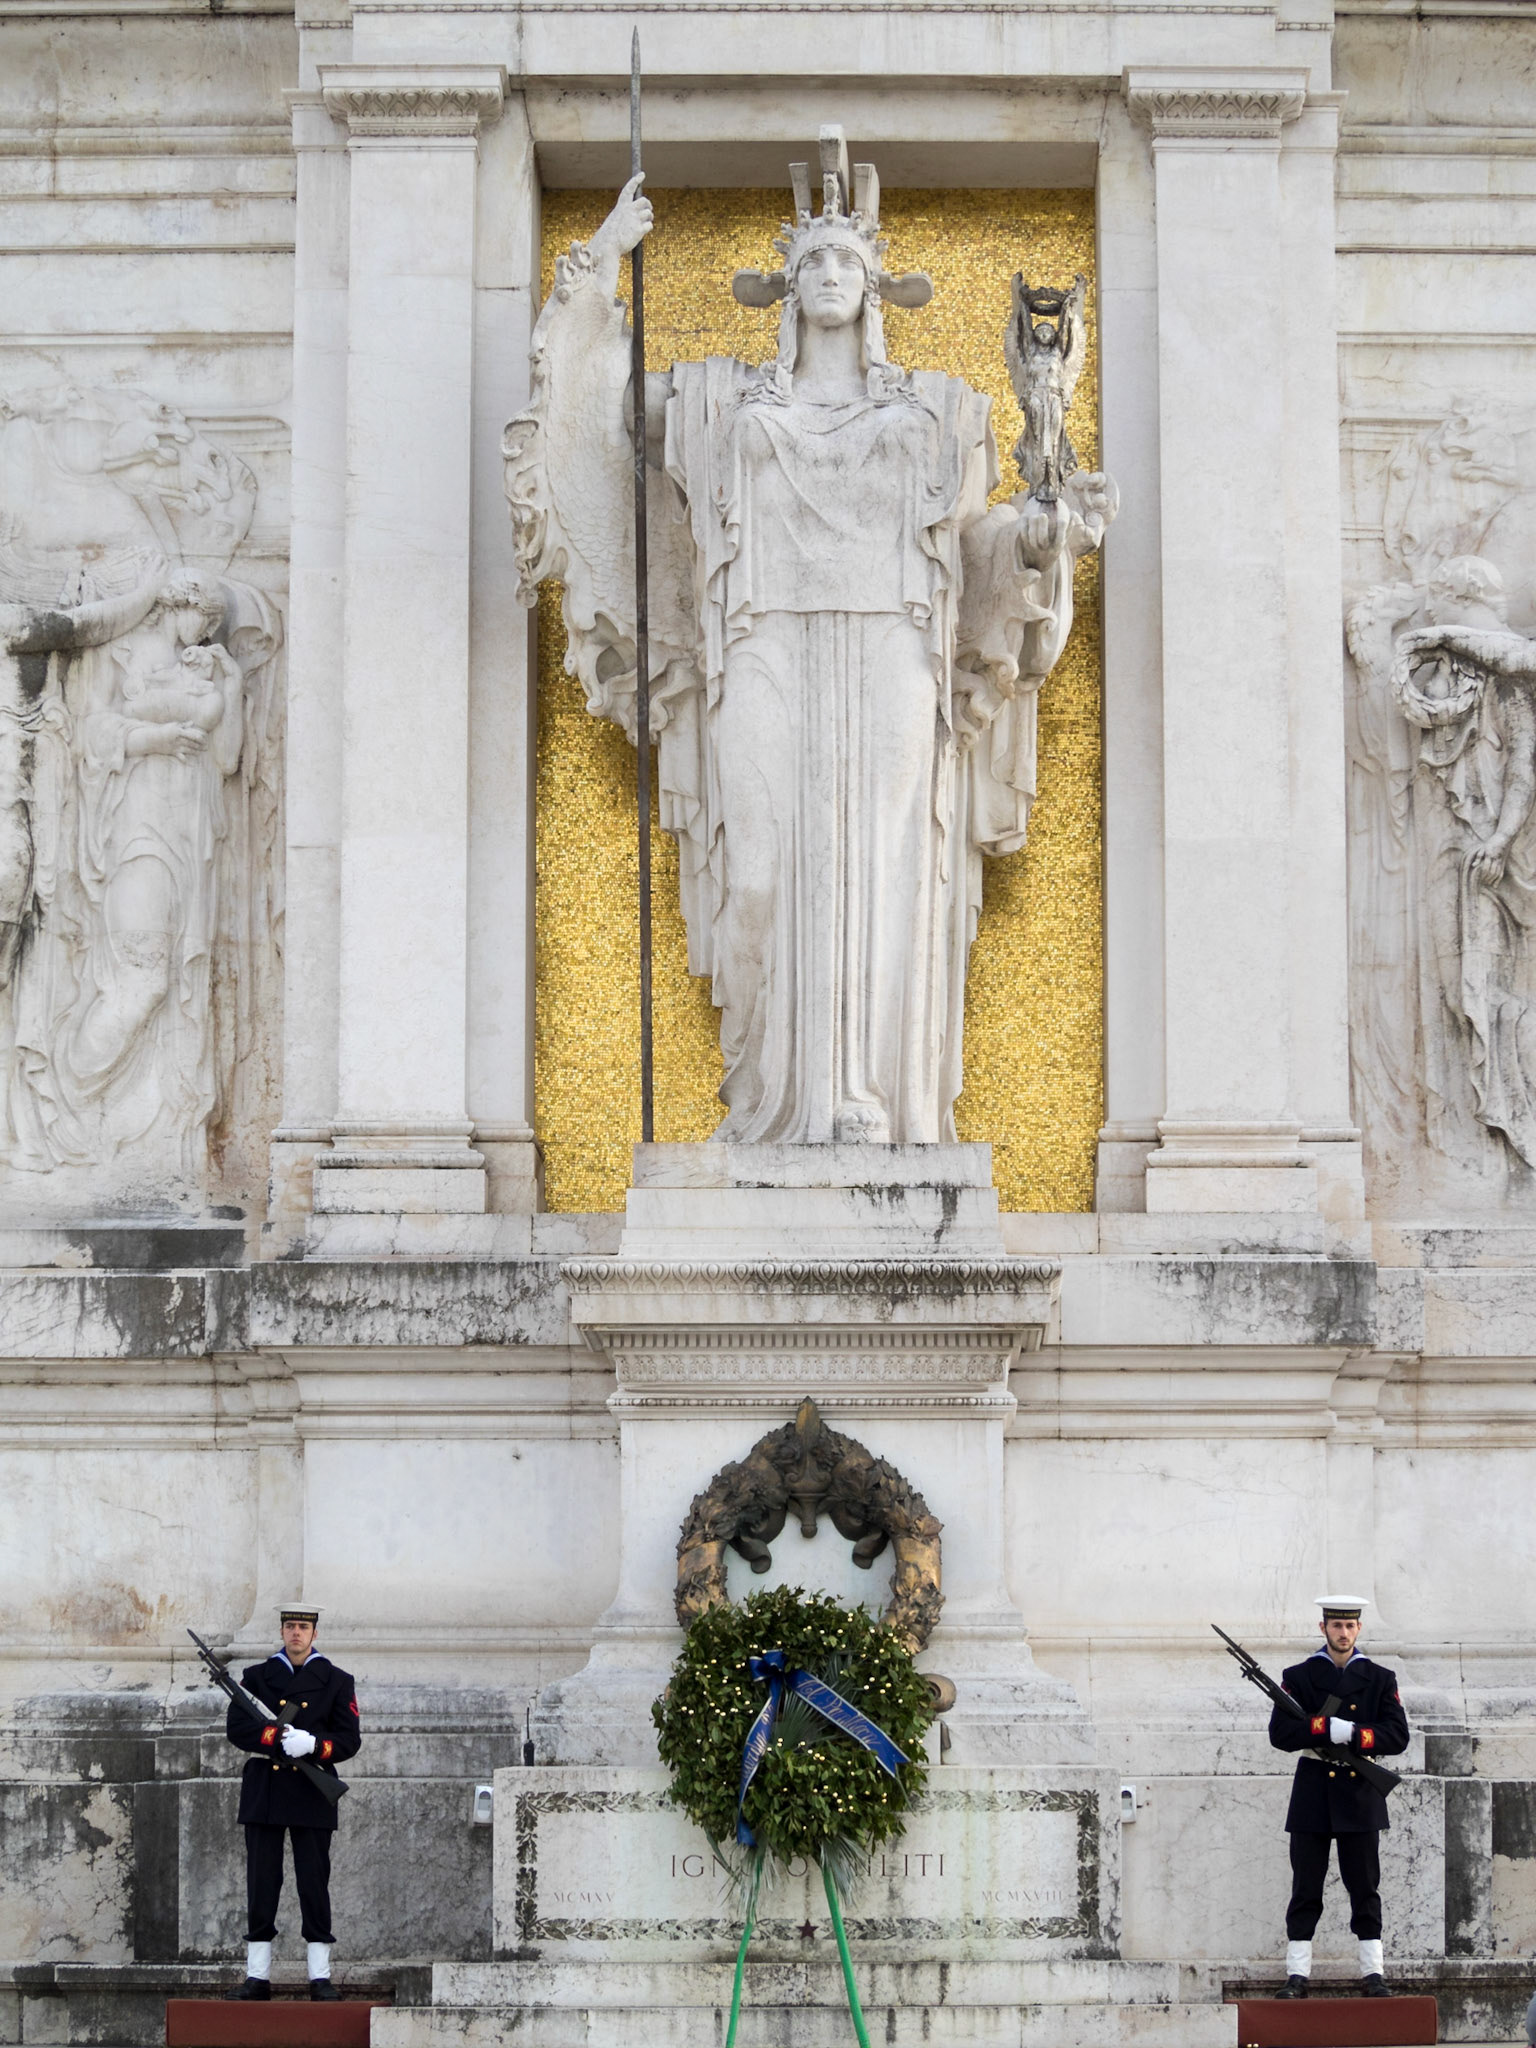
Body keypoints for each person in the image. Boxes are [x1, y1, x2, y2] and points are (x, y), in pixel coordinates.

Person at [1268, 1596, 1410, 1999]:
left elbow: (1397, 1736)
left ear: (1359, 1630)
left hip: (1360, 1793)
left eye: (1349, 1627)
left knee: (1364, 1887)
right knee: (1305, 1888)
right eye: (1336, 1626)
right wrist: (1321, 1729)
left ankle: (1373, 1974)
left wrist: (1352, 1734)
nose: (1343, 1633)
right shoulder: (1298, 1675)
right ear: (1323, 1628)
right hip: (1313, 1791)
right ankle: (1297, 1975)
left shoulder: (1381, 1678)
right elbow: (1280, 1735)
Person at [223, 1604, 361, 2001]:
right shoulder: (256, 1677)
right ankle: (257, 1976)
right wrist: (275, 1738)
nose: (296, 1633)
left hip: (312, 1789)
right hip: (267, 1786)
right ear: (282, 1632)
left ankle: (320, 1976)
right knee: (262, 1881)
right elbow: (238, 1728)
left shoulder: (336, 1681)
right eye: (289, 1627)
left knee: (313, 1882)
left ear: (314, 1634)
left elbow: (349, 1739)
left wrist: (314, 1745)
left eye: (302, 1627)